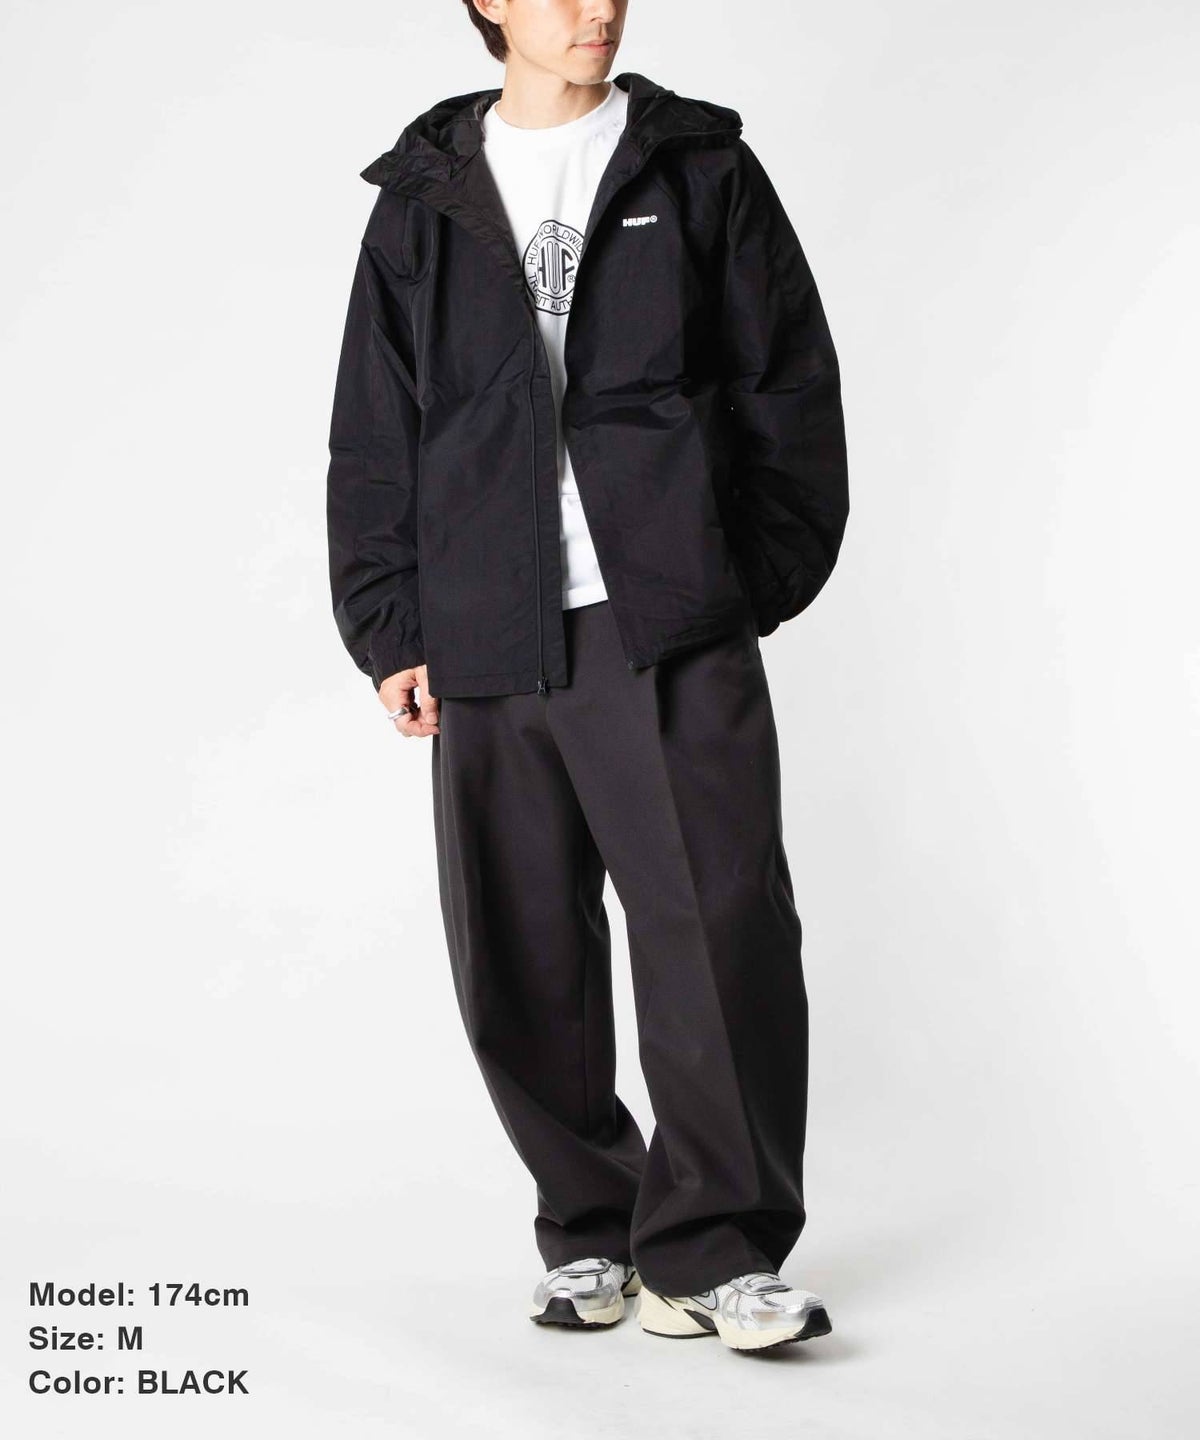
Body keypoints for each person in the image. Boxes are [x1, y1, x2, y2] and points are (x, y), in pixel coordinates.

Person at [326, 0, 849, 1354]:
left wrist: (732, 585)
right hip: (485, 621)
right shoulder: (424, 199)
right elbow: (375, 427)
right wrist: (392, 625)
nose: (596, 6)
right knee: (520, 948)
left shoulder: (699, 168)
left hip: (660, 616)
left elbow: (789, 383)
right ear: (489, 3)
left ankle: (715, 1254)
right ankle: (590, 1227)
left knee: (719, 931)